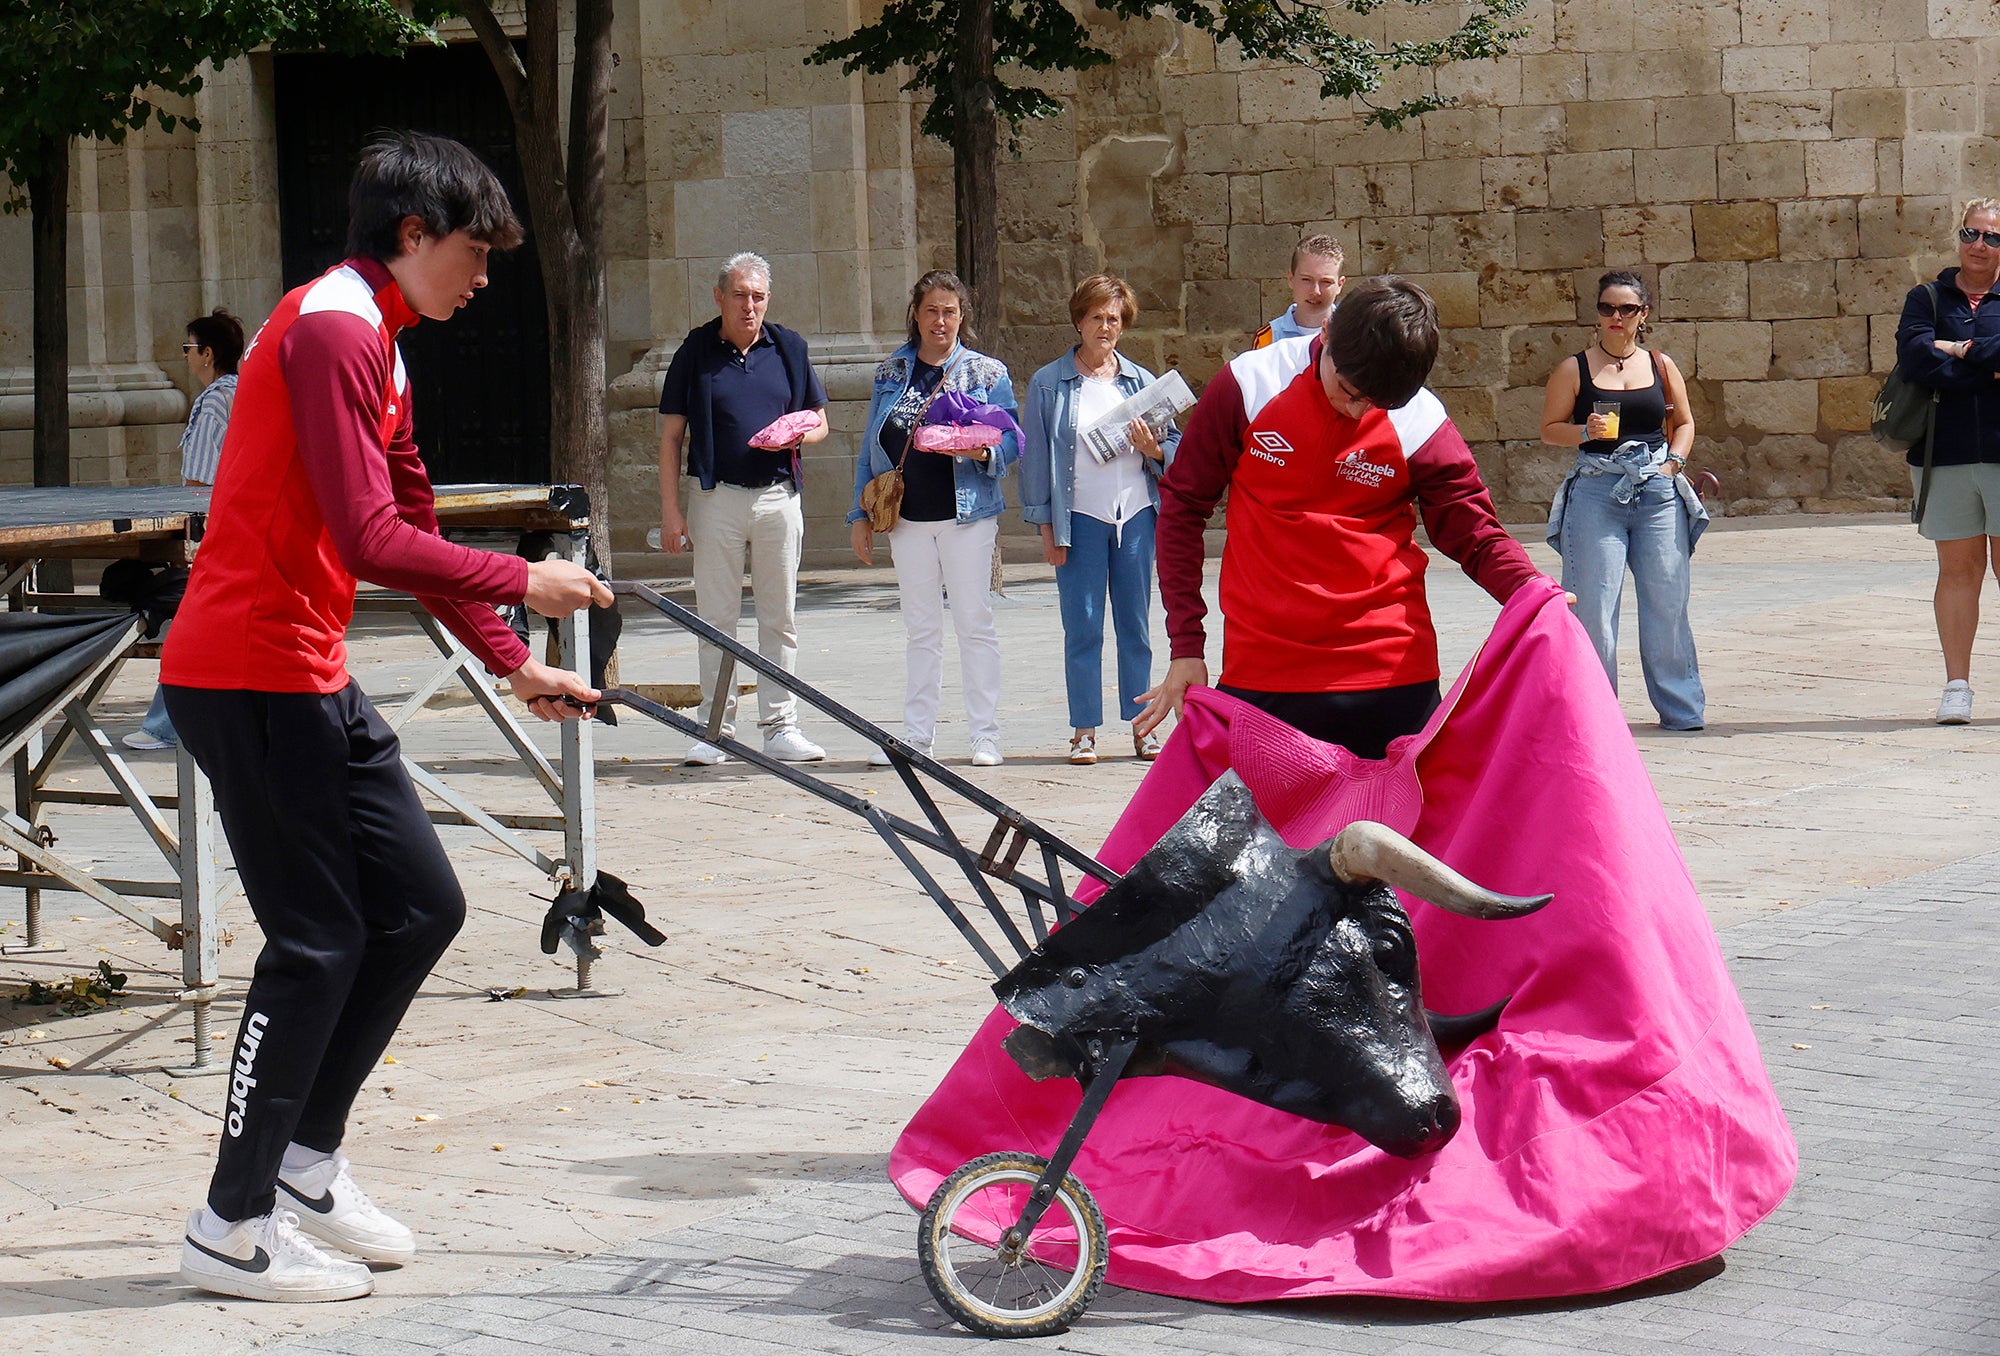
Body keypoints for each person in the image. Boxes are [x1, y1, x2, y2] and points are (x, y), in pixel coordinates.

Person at [161, 131, 608, 1304]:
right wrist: (529, 581)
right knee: (315, 944)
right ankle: (230, 1221)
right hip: (245, 672)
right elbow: (371, 539)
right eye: (475, 250)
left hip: (306, 671)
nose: (486, 273)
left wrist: (516, 662)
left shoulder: (386, 343)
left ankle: (305, 1164)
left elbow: (414, 539)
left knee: (419, 906)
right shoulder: (328, 329)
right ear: (412, 237)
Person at [1138, 275, 1543, 759]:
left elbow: (1474, 532)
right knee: (1260, 835)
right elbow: (1182, 507)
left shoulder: (1420, 418)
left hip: (1393, 676)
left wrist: (1534, 593)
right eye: (1349, 390)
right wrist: (1186, 644)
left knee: (1403, 835)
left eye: (1375, 403)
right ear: (1326, 332)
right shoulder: (1252, 383)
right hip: (1267, 675)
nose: (1356, 411)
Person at [658, 252, 831, 764]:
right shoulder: (695, 349)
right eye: (739, 295)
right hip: (715, 498)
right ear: (719, 297)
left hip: (779, 496)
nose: (749, 305)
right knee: (716, 617)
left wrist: (797, 434)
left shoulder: (789, 347)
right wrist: (671, 512)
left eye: (757, 296)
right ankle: (717, 731)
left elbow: (820, 421)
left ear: (767, 299)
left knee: (780, 616)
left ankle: (781, 728)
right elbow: (670, 438)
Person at [850, 270, 1019, 766]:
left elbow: (1010, 439)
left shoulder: (988, 373)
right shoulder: (890, 373)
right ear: (916, 315)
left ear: (961, 316)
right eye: (931, 310)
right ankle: (917, 737)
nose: (939, 320)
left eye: (949, 310)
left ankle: (984, 734)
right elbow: (869, 448)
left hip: (967, 516)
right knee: (920, 628)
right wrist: (858, 514)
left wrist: (980, 451)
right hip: (906, 518)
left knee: (974, 623)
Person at [1539, 271, 1707, 732]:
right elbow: (1549, 429)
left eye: (1626, 309)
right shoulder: (1574, 368)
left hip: (1655, 489)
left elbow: (1687, 422)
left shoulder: (1660, 365)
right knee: (1593, 606)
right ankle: (1596, 717)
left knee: (1667, 601)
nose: (1616, 317)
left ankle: (1682, 710)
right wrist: (1583, 431)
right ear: (1597, 315)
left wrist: (1673, 464)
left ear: (1643, 315)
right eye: (1607, 308)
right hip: (1597, 489)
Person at [1021, 275, 1179, 765]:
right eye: (1096, 317)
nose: (1105, 327)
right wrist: (1047, 528)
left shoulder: (1142, 381)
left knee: (1135, 625)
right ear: (1079, 321)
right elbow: (1035, 462)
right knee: (1083, 626)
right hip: (1080, 520)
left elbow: (1172, 448)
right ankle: (1083, 730)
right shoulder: (1049, 383)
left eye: (1113, 318)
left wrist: (1154, 449)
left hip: (1134, 518)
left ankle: (1142, 730)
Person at [123, 308, 247, 752]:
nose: (186, 357)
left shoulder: (214, 400)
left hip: (218, 531)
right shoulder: (249, 393)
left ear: (207, 353)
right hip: (249, 529)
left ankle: (163, 726)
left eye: (188, 348)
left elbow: (198, 481)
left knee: (192, 627)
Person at [1896, 197, 2000, 724]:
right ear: (1959, 236)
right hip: (1947, 456)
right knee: (1958, 572)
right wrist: (1984, 360)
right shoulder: (1927, 297)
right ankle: (1957, 685)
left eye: (1992, 237)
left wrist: (1957, 349)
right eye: (1972, 233)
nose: (1980, 245)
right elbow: (1915, 358)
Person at [1251, 235, 1344, 349]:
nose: (1316, 291)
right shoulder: (1268, 338)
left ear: (1340, 284)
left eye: (1326, 282)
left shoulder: (1355, 333)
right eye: (1306, 279)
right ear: (1291, 279)